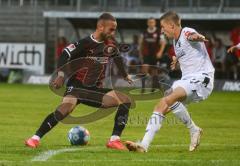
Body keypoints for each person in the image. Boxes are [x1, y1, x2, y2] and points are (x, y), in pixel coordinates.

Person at [25, 12, 133, 151]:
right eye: (111, 29)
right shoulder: (86, 43)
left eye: (115, 29)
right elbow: (65, 54)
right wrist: (61, 75)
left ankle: (114, 140)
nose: (114, 32)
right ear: (100, 27)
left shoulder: (110, 45)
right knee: (64, 110)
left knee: (124, 101)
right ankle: (34, 139)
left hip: (92, 90)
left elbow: (117, 57)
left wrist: (125, 75)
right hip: (77, 86)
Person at [125, 11, 215, 152]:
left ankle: (193, 129)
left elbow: (193, 37)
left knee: (168, 97)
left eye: (163, 27)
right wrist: (176, 61)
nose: (162, 31)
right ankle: (143, 145)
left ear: (172, 25)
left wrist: (198, 37)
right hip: (187, 80)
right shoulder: (175, 41)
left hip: (201, 78)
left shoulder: (187, 31)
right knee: (161, 106)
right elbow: (186, 53)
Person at [139, 17, 166, 93]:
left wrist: (160, 52)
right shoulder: (144, 32)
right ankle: (143, 88)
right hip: (146, 54)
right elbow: (140, 44)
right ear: (147, 23)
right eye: (149, 22)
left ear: (155, 23)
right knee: (144, 70)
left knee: (154, 72)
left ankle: (153, 87)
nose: (151, 24)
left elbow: (163, 43)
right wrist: (140, 53)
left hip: (155, 55)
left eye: (152, 22)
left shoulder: (158, 32)